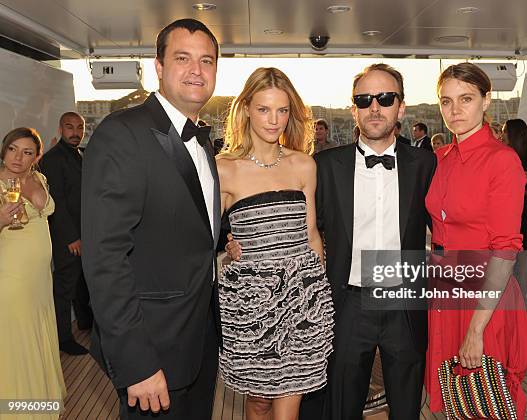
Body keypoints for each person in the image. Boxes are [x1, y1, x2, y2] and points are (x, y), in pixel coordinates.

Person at [81, 19, 221, 419]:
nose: (197, 69)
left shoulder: (200, 141)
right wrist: (136, 362)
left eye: (206, 60)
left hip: (198, 339)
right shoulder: (122, 134)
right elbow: (105, 259)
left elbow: (189, 229)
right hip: (152, 348)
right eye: (183, 58)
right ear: (159, 67)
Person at [315, 64, 435, 419]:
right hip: (348, 302)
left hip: (404, 303)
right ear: (353, 108)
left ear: (400, 106)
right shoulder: (324, 166)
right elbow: (300, 222)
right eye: (364, 99)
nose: (374, 107)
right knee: (341, 405)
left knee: (406, 406)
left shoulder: (426, 165)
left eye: (385, 98)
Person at [216, 67, 334, 420]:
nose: (274, 120)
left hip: (304, 298)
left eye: (282, 110)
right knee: (259, 401)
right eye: (265, 109)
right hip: (252, 304)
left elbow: (312, 233)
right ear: (247, 109)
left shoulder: (303, 164)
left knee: (288, 406)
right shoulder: (224, 168)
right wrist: (226, 249)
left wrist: (320, 295)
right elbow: (201, 237)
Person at [425, 62, 527, 419]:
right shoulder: (440, 158)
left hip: (483, 296)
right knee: (457, 399)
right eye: (446, 101)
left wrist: (476, 328)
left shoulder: (502, 162)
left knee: (487, 400)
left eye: (466, 99)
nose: (454, 111)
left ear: (486, 101)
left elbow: (505, 250)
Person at [0, 127, 66, 419]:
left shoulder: (38, 178)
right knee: (17, 340)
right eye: (13, 148)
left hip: (39, 277)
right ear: (3, 150)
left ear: (36, 156)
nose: (18, 156)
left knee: (37, 335)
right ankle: (16, 410)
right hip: (11, 277)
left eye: (27, 152)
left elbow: (43, 211)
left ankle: (39, 402)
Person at [39, 111, 93, 356]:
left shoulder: (80, 154)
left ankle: (85, 323)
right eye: (70, 127)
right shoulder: (52, 158)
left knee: (82, 283)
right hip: (66, 237)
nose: (75, 132)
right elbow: (56, 201)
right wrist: (71, 237)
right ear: (61, 129)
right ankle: (62, 338)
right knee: (64, 289)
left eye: (79, 128)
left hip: (84, 232)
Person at [502, 119, 527, 292]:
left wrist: (523, 183)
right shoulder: (498, 155)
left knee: (521, 266)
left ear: (516, 134)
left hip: (521, 215)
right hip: (501, 216)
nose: (502, 134)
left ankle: (520, 310)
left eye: (506, 131)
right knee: (502, 265)